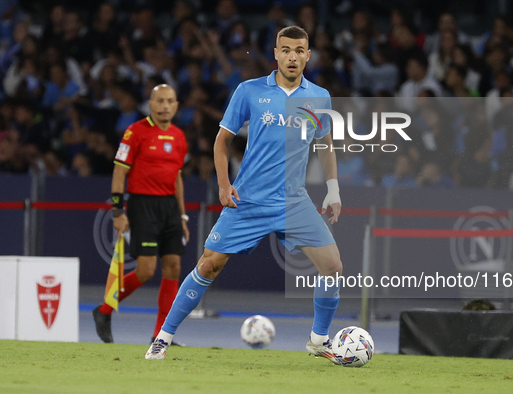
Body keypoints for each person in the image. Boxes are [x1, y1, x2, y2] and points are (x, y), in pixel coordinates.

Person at [145, 26, 343, 362]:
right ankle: (163, 338)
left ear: (308, 55)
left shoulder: (319, 97)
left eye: (299, 50)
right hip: (248, 200)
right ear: (276, 54)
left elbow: (324, 144)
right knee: (208, 265)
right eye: (286, 50)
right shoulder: (250, 91)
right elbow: (221, 141)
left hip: (293, 201)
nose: (292, 56)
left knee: (333, 266)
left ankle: (319, 340)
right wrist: (224, 184)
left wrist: (333, 189)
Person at [92, 84, 190, 343]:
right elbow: (119, 173)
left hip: (169, 206)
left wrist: (182, 216)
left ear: (177, 105)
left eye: (170, 101)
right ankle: (103, 310)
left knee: (174, 266)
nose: (165, 106)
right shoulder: (135, 132)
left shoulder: (180, 136)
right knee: (146, 270)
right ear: (151, 104)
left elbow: (177, 178)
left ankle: (160, 335)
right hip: (142, 205)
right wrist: (117, 211)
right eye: (160, 101)